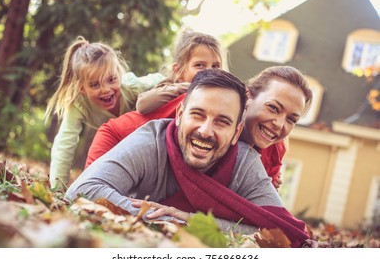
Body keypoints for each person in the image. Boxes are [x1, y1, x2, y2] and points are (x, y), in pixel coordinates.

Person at [66, 69, 312, 248]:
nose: (206, 130)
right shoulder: (151, 139)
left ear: (237, 131)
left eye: (222, 121)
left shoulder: (249, 160)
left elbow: (280, 232)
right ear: (180, 114)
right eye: (198, 114)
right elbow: (83, 188)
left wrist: (188, 220)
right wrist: (165, 219)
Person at [85, 66, 312, 190]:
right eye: (273, 108)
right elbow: (120, 129)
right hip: (119, 146)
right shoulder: (205, 106)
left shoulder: (274, 151)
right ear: (248, 97)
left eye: (291, 119)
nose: (280, 125)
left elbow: (262, 197)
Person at [44, 36, 163, 190]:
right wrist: (57, 188)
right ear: (82, 88)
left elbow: (157, 79)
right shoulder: (78, 104)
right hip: (117, 138)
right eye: (95, 85)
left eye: (111, 79)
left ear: (119, 75)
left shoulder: (131, 86)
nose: (106, 89)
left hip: (143, 131)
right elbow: (65, 143)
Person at [135, 28, 226, 114]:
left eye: (215, 66)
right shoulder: (171, 88)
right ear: (178, 70)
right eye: (200, 65)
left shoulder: (225, 92)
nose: (210, 72)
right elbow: (142, 105)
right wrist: (189, 87)